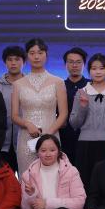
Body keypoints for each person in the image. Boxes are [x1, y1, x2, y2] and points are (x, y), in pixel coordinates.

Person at [68, 53, 105, 191]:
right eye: (94, 68)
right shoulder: (82, 92)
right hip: (85, 145)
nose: (98, 72)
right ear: (89, 71)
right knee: (85, 185)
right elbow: (74, 124)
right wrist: (83, 107)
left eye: (101, 68)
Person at [11, 38, 68, 177]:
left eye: (40, 52)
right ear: (27, 56)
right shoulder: (18, 84)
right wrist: (27, 124)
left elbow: (63, 114)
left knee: (52, 177)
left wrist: (49, 133)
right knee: (28, 178)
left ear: (46, 55)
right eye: (32, 53)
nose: (36, 56)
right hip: (26, 139)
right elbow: (14, 116)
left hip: (51, 136)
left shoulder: (58, 82)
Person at [0, 45, 26, 173]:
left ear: (24, 62)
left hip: (26, 143)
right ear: (5, 62)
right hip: (2, 145)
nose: (13, 63)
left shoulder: (30, 85)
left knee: (27, 181)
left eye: (17, 59)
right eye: (9, 59)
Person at [58, 47, 89, 163]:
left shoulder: (91, 85)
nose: (74, 65)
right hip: (63, 138)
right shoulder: (59, 86)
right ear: (65, 65)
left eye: (78, 62)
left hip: (87, 137)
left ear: (84, 64)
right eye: (71, 62)